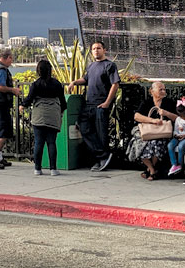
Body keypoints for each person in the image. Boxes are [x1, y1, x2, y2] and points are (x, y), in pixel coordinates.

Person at [72, 41, 120, 172]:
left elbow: (115, 84)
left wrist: (107, 103)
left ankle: (101, 161)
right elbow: (86, 79)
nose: (96, 50)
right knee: (84, 128)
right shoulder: (91, 66)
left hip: (101, 105)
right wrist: (74, 82)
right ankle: (103, 156)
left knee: (101, 133)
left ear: (104, 50)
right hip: (89, 104)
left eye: (98, 48)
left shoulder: (110, 65)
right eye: (93, 48)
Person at [21, 58, 67, 176]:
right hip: (53, 115)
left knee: (39, 143)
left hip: (39, 115)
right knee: (51, 142)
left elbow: (29, 99)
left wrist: (22, 105)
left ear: (38, 71)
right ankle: (53, 169)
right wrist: (60, 112)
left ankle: (37, 168)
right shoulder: (57, 84)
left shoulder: (36, 84)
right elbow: (63, 102)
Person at [133, 80, 177, 180]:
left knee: (156, 143)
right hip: (148, 132)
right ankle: (152, 169)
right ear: (152, 91)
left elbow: (177, 118)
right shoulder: (147, 102)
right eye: (160, 89)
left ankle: (150, 170)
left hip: (162, 133)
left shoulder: (169, 103)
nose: (163, 91)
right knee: (140, 143)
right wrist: (152, 120)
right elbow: (137, 116)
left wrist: (166, 114)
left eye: (164, 89)